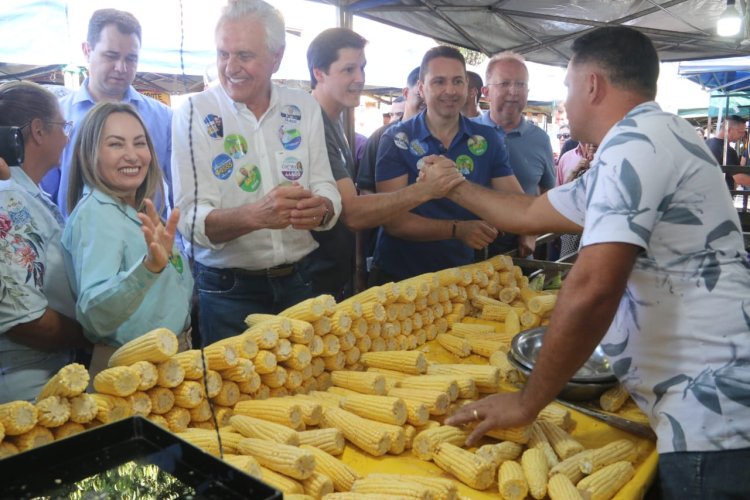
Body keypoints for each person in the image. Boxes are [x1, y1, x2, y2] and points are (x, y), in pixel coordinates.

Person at [435, 26, 750, 498]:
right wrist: (453, 185)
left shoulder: (636, 147)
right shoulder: (652, 138)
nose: (564, 99)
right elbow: (526, 211)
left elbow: (592, 288)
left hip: (712, 418)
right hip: (707, 405)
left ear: (592, 85)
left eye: (566, 86)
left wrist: (527, 402)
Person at [171, 0, 341, 345]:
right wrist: (256, 215)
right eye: (223, 54)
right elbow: (188, 219)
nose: (230, 67)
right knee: (238, 397)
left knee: (305, 391)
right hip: (227, 291)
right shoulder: (193, 112)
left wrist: (322, 208)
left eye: (244, 55)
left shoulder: (303, 106)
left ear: (276, 57)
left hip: (300, 279)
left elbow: (326, 184)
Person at [306, 28, 465, 296]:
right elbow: (353, 213)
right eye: (348, 70)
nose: (360, 78)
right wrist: (425, 190)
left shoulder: (334, 123)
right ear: (319, 73)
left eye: (362, 68)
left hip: (331, 274)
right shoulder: (313, 123)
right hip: (310, 278)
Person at [370, 46, 526, 283]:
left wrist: (518, 227)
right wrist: (458, 229)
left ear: (468, 87)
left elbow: (516, 201)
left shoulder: (487, 139)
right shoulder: (396, 139)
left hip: (459, 277)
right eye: (439, 82)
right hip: (399, 278)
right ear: (421, 87)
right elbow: (394, 221)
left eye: (457, 81)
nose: (450, 91)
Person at [62, 102, 192, 377]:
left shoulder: (139, 211)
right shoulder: (96, 214)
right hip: (129, 375)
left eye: (139, 143)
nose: (133, 156)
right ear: (91, 154)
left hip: (169, 365)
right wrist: (149, 269)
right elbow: (95, 317)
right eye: (116, 144)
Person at [0, 82, 89, 402]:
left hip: (48, 371)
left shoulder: (26, 195)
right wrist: (92, 334)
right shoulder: (9, 201)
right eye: (63, 127)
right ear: (38, 131)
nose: (67, 138)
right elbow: (25, 321)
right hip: (26, 384)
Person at [39, 8, 173, 216]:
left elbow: (181, 192)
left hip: (149, 243)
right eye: (111, 56)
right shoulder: (57, 117)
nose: (121, 67)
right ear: (86, 50)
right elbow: (42, 197)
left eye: (131, 59)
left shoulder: (164, 118)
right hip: (76, 245)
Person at [475, 52, 553, 257]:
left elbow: (547, 194)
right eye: (504, 83)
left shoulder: (540, 139)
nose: (513, 91)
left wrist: (532, 231)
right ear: (485, 92)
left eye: (520, 84)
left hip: (518, 250)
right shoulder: (466, 132)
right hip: (468, 248)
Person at [357, 66, 423, 194]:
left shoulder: (439, 134)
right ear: (406, 93)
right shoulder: (382, 135)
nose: (426, 100)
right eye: (420, 94)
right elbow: (365, 187)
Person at [705, 115, 750, 189]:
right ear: (729, 130)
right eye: (740, 132)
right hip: (721, 196)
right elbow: (740, 178)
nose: (742, 135)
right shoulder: (728, 151)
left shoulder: (706, 143)